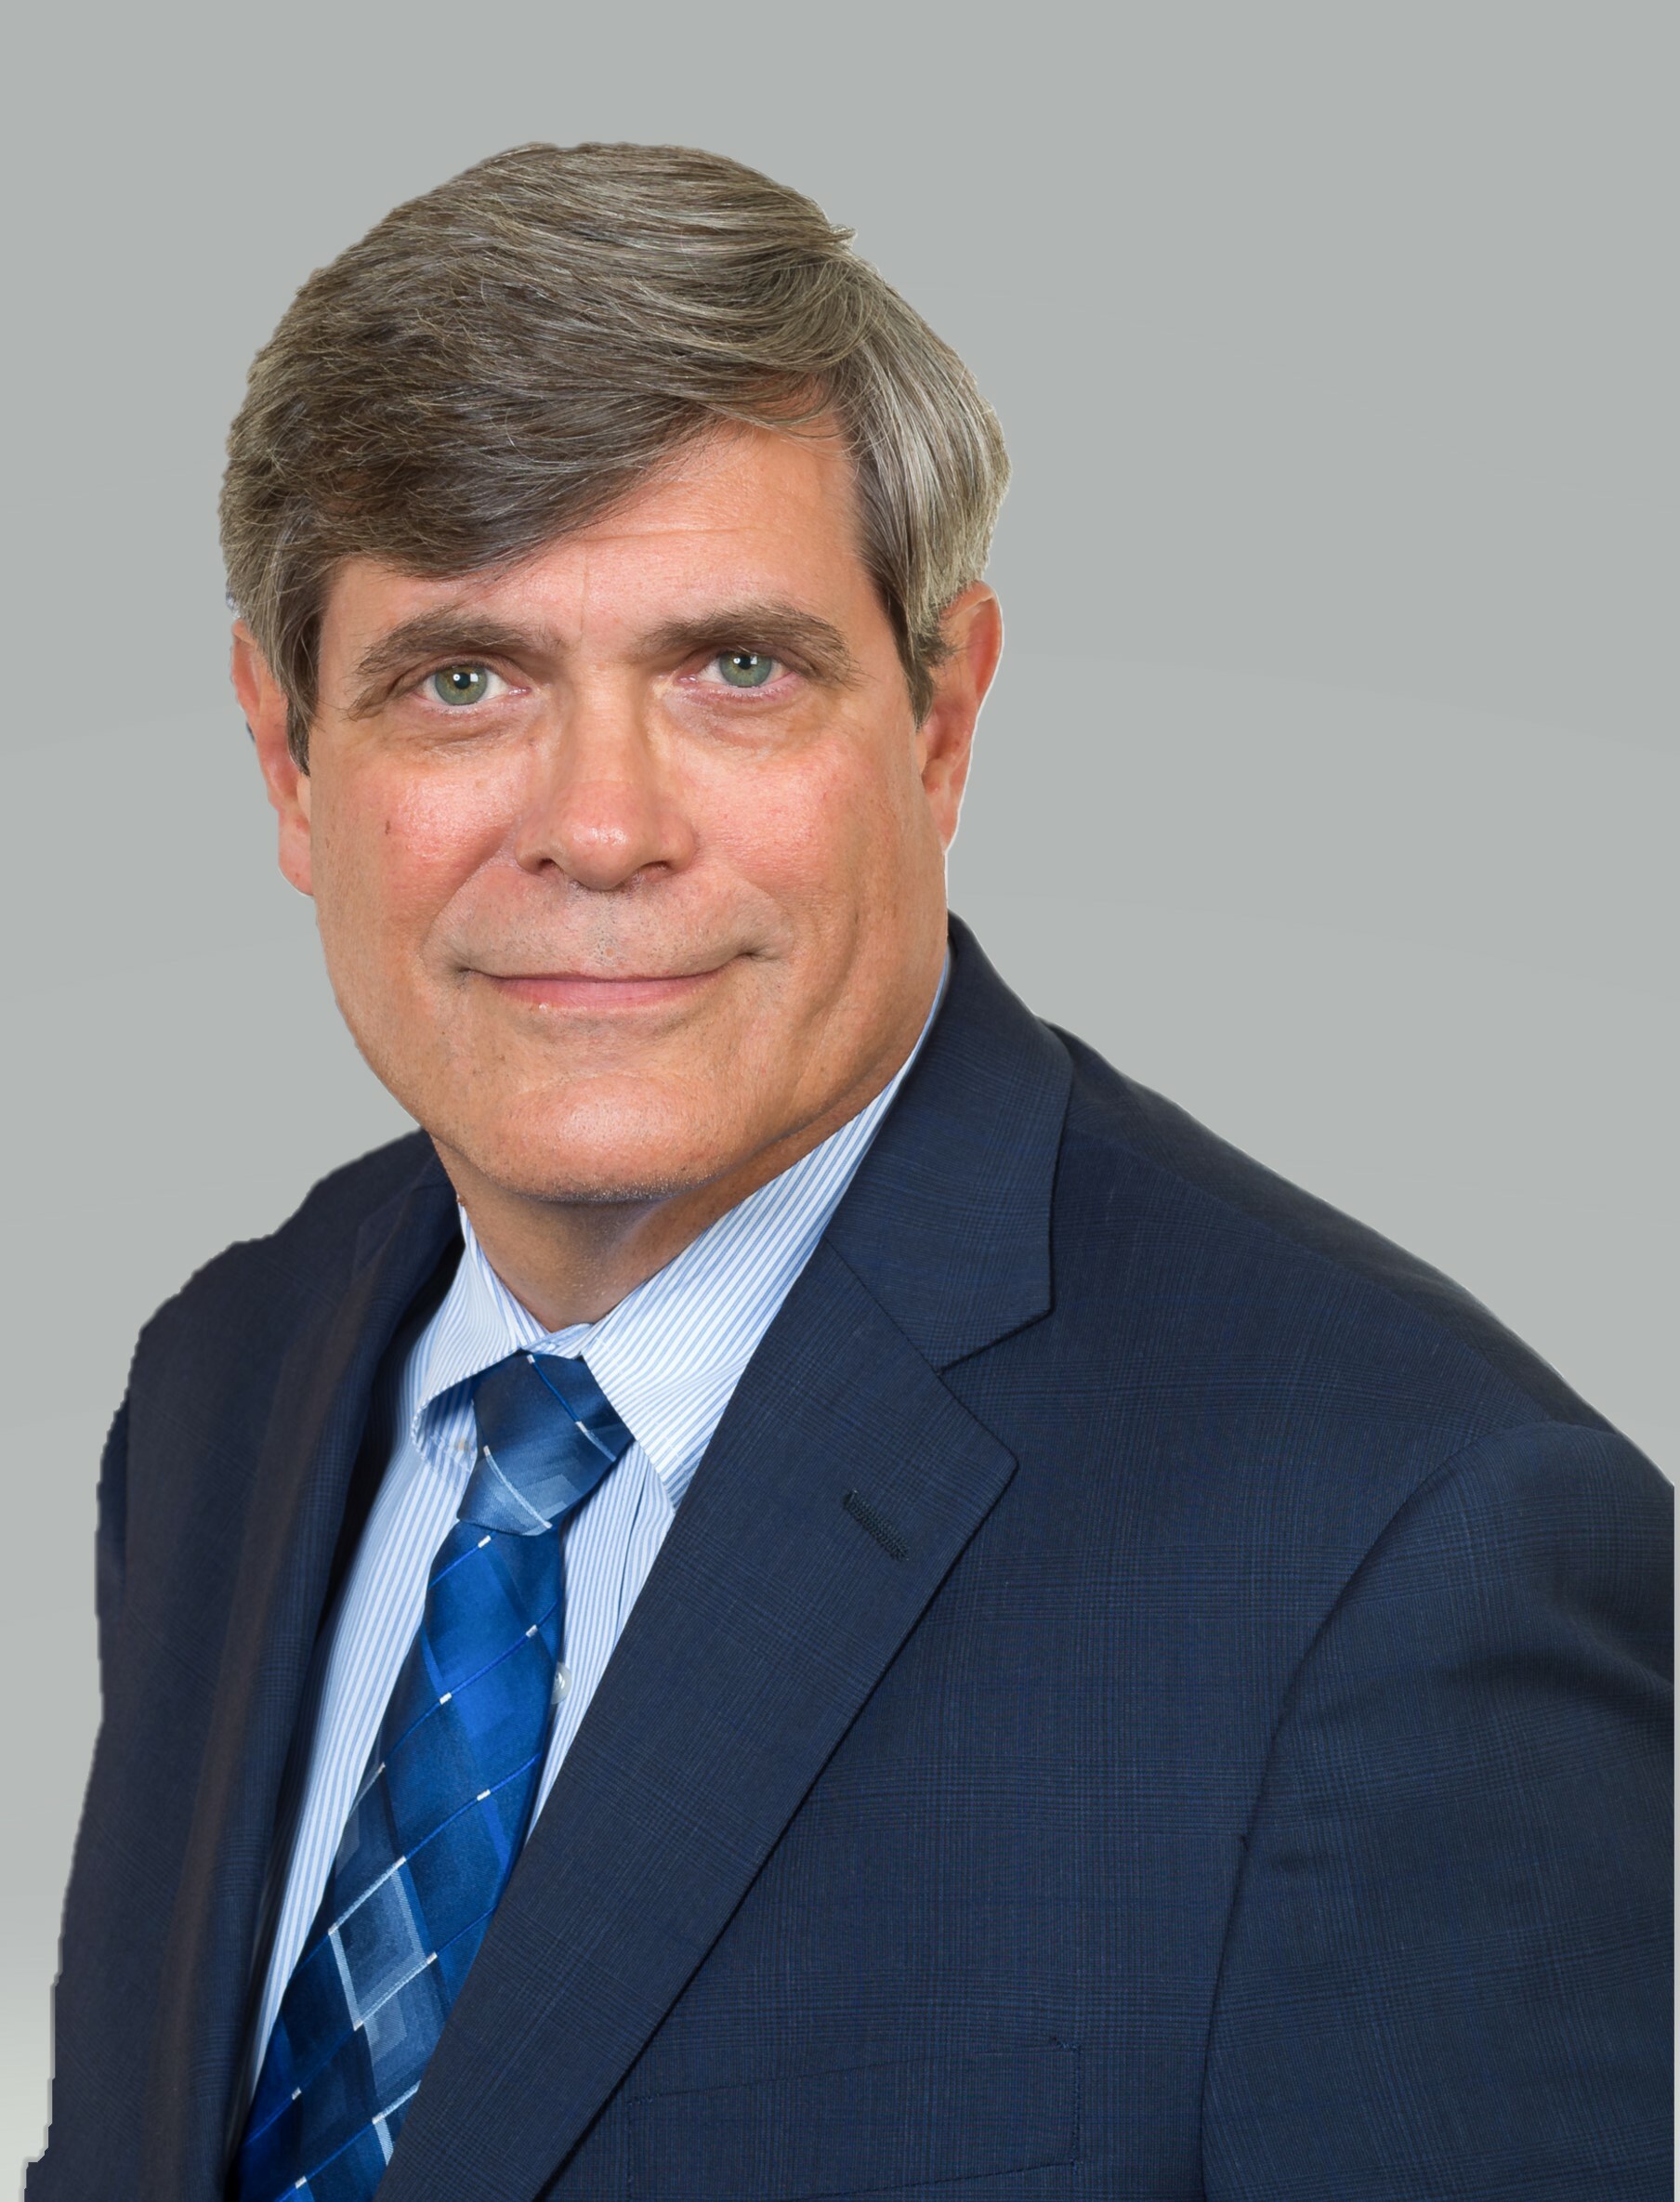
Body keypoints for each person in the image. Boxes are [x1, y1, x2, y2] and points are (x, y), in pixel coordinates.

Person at [30, 141, 1669, 2202]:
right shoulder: (226, 1383)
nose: (600, 828)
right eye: (463, 680)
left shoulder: (1400, 1557)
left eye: (736, 670)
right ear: (287, 756)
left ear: (940, 721)